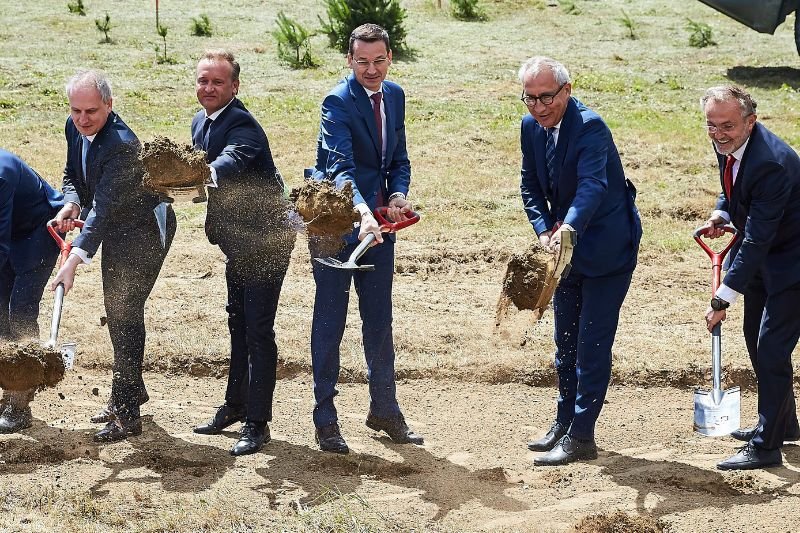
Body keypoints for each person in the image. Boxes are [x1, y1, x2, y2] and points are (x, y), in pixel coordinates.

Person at [518, 57, 642, 466]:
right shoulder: (530, 128)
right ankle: (564, 421)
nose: (538, 107)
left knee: (591, 344)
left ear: (566, 92)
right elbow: (530, 184)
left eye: (546, 97)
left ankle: (582, 436)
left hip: (607, 248)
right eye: (530, 98)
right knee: (564, 342)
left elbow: (592, 185)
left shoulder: (590, 127)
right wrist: (543, 231)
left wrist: (566, 227)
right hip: (563, 251)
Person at [308, 23, 421, 454]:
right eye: (362, 62)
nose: (371, 70)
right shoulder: (337, 101)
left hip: (377, 226)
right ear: (349, 61)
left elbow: (399, 157)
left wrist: (395, 196)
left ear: (389, 58)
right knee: (330, 320)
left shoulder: (395, 95)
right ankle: (326, 419)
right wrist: (360, 212)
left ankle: (385, 411)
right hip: (335, 223)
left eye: (378, 61)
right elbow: (341, 169)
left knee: (379, 319)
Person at [50, 69, 176, 442]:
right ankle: (131, 390)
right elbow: (73, 173)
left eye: (91, 111)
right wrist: (71, 202)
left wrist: (72, 261)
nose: (82, 119)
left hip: (144, 231)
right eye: (76, 110)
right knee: (117, 308)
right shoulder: (75, 126)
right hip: (114, 226)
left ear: (109, 104)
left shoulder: (122, 145)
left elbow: (103, 210)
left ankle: (126, 414)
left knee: (124, 311)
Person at [190, 50, 294, 457]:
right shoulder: (201, 121)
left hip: (267, 242)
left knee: (258, 330)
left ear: (235, 86)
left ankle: (258, 422)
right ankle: (235, 406)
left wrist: (200, 174)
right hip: (237, 243)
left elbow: (231, 161)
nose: (208, 88)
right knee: (238, 322)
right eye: (203, 81)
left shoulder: (244, 124)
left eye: (217, 82)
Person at [700, 85, 800, 470]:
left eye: (727, 125)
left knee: (773, 348)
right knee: (756, 341)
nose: (719, 133)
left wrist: (723, 297)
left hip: (792, 263)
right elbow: (732, 184)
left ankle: (766, 446)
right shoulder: (726, 143)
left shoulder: (771, 162)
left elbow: (758, 238)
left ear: (750, 121)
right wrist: (722, 213)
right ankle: (784, 423)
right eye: (712, 125)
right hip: (764, 258)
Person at [0, 149, 64, 433]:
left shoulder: (1, 174)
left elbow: (0, 241)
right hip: (11, 230)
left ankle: (20, 400)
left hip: (39, 229)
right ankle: (8, 384)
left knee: (20, 311)